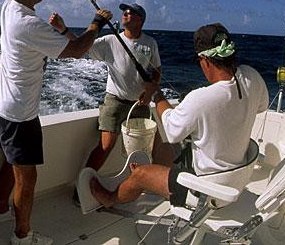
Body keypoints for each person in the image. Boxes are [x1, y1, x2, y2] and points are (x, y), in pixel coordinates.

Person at [0, 0, 112, 245]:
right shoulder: (29, 25)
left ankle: (0, 209)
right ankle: (21, 237)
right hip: (20, 114)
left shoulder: (9, 4)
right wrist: (96, 22)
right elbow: (76, 50)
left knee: (9, 160)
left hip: (0, 104)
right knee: (27, 180)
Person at [90, 23, 268, 209]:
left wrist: (156, 93)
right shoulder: (252, 76)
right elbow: (261, 106)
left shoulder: (200, 98)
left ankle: (111, 198)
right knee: (167, 149)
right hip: (235, 182)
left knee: (140, 175)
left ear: (204, 60)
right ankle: (154, 178)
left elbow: (171, 129)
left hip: (205, 190)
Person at [78, 2, 175, 185]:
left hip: (140, 103)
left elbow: (157, 71)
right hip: (115, 101)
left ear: (140, 20)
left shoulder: (150, 43)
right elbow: (82, 47)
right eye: (124, 12)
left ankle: (156, 182)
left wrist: (149, 92)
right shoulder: (109, 41)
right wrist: (64, 30)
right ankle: (83, 185)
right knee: (106, 146)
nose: (125, 15)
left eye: (131, 13)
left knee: (150, 146)